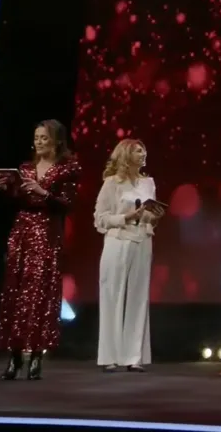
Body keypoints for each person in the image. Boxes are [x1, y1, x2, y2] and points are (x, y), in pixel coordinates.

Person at [0, 119, 81, 381]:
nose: (39, 142)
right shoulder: (25, 168)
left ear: (56, 140)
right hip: (22, 233)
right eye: (36, 137)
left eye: (44, 137)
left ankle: (36, 357)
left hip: (47, 233)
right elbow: (18, 200)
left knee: (40, 295)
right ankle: (14, 357)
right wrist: (6, 189)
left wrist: (44, 193)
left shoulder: (68, 169)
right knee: (16, 292)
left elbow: (67, 204)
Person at [94, 139, 165, 373]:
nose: (143, 154)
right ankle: (110, 357)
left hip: (142, 240)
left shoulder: (148, 183)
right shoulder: (112, 183)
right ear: (126, 155)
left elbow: (149, 216)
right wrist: (126, 217)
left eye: (144, 150)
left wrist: (153, 216)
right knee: (112, 295)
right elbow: (100, 218)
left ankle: (133, 356)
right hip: (117, 240)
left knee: (139, 296)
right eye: (137, 151)